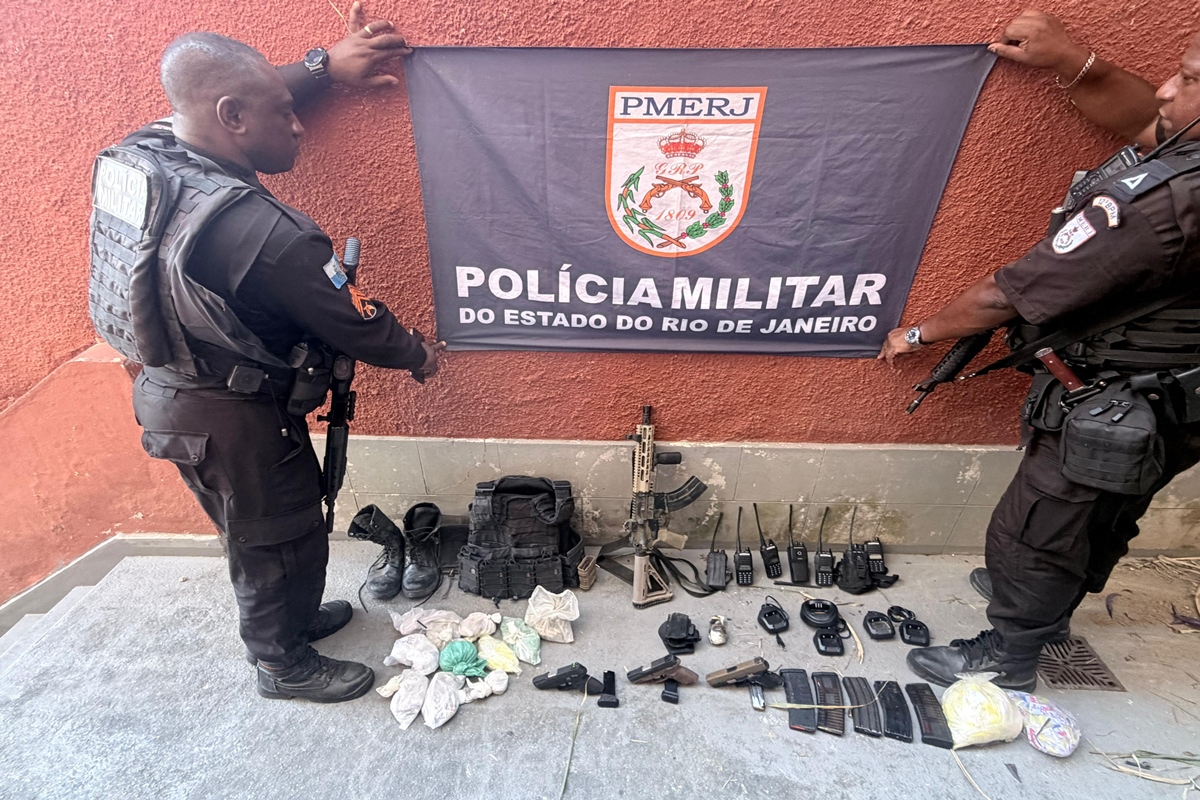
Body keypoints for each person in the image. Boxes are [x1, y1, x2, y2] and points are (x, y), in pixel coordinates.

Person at [90, 3, 446, 703]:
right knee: (272, 538)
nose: (297, 124)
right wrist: (419, 356)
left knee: (271, 528)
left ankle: (295, 619)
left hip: (178, 396)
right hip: (229, 414)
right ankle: (281, 664)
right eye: (283, 112)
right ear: (232, 117)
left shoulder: (151, 151)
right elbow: (354, 324)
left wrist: (322, 68)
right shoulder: (269, 235)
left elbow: (227, 91)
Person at [878, 10, 1200, 691]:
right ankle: (1047, 610)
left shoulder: (1164, 204)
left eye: (1189, 79)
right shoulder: (1187, 158)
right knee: (1102, 513)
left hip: (1121, 398)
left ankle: (1010, 656)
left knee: (1034, 529)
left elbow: (1006, 295)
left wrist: (919, 333)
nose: (1167, 89)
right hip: (1170, 399)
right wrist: (1077, 64)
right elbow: (1149, 122)